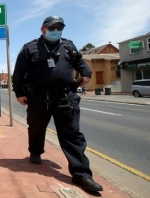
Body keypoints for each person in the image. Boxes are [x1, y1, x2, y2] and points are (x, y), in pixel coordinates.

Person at [12, 16, 103, 192]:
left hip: (65, 97)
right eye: (52, 27)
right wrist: (19, 93)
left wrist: (86, 73)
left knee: (72, 134)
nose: (56, 31)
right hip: (38, 97)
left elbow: (81, 64)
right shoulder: (29, 48)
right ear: (43, 29)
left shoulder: (68, 46)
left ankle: (82, 175)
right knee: (36, 127)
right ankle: (35, 152)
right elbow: (18, 73)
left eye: (59, 27)